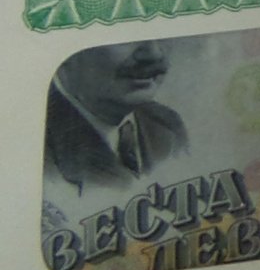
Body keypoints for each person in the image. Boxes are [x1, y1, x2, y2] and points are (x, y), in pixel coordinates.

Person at [45, 40, 188, 195]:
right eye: (125, 38)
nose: (154, 54)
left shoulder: (168, 125)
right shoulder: (38, 146)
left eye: (163, 37)